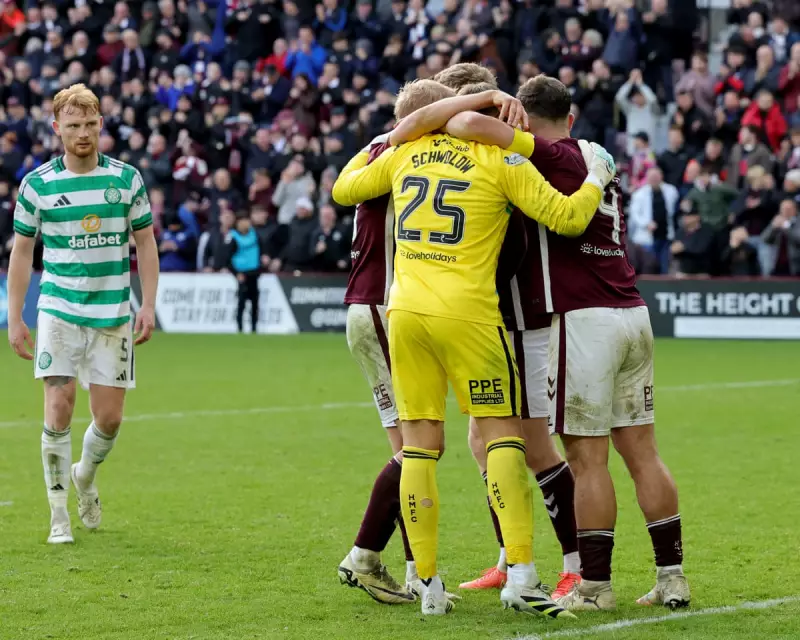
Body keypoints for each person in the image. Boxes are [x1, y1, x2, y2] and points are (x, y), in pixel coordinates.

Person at [333, 78, 616, 617]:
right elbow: (568, 218)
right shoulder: (498, 159)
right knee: (503, 437)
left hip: (405, 312)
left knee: (417, 447)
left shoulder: (403, 152)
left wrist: (415, 126)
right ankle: (523, 575)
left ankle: (430, 588)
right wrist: (597, 178)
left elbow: (344, 190)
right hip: (469, 314)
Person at [441, 75, 690, 611]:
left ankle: (594, 587)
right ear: (571, 117)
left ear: (524, 119)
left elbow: (459, 122)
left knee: (587, 461)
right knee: (644, 454)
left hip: (583, 320)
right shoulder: (595, 153)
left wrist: (491, 102)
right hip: (632, 310)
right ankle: (672, 578)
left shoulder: (543, 154)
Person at [6, 84, 158, 544]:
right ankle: (58, 519)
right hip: (58, 309)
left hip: (112, 311)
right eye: (73, 126)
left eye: (90, 124)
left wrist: (147, 302)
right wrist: (16, 316)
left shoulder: (126, 179)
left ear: (100, 126)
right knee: (58, 405)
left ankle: (85, 477)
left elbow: (146, 242)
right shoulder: (37, 185)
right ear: (57, 129)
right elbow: (22, 253)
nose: (83, 133)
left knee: (109, 418)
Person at [226, 214, 262, 333]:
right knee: (241, 303)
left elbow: (262, 250)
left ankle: (254, 328)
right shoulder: (233, 237)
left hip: (254, 273)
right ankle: (240, 328)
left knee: (255, 303)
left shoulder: (255, 235)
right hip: (242, 274)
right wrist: (236, 273)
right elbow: (228, 258)